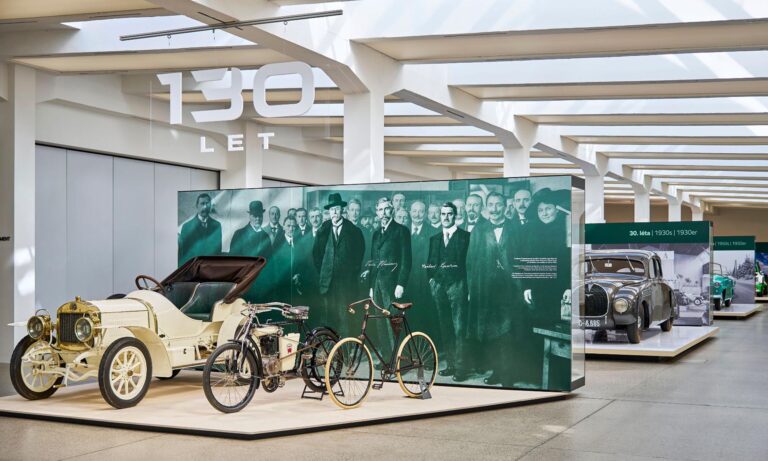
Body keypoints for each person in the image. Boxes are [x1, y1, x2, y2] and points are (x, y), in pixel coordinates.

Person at [466, 192, 515, 385]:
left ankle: (508, 375)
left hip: (510, 288)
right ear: (486, 208)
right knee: (491, 331)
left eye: (498, 204)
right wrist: (471, 289)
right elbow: (470, 261)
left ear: (505, 206)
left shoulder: (515, 228)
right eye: (491, 205)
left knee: (508, 331)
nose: (494, 209)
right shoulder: (479, 229)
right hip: (485, 289)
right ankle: (497, 371)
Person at [524, 188, 571, 388]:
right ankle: (539, 376)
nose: (544, 213)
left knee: (558, 332)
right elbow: (527, 258)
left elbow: (571, 261)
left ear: (556, 210)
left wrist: (569, 287)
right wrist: (527, 285)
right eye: (541, 210)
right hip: (538, 287)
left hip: (560, 289)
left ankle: (559, 378)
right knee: (537, 328)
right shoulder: (533, 230)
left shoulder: (566, 229)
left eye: (548, 209)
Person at [427, 202, 470, 381]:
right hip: (439, 287)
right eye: (443, 214)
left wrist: (467, 287)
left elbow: (469, 264)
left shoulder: (465, 237)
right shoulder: (435, 238)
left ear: (455, 215)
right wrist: (431, 281)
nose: (446, 217)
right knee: (445, 326)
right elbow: (430, 262)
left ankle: (461, 368)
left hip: (458, 286)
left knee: (459, 328)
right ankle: (451, 365)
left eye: (449, 214)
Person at [313, 193, 365, 335]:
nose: (334, 212)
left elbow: (359, 256)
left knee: (345, 317)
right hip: (327, 283)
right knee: (328, 317)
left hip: (346, 283)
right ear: (329, 212)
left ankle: (346, 346)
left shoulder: (353, 231)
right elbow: (316, 255)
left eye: (337, 208)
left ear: (342, 210)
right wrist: (324, 272)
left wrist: (350, 274)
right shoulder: (323, 230)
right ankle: (330, 346)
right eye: (332, 209)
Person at [368, 197, 412, 355]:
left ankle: (400, 358)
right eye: (380, 210)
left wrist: (401, 283)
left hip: (393, 284)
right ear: (377, 212)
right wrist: (371, 286)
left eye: (386, 209)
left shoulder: (401, 231)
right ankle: (387, 358)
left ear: (392, 210)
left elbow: (407, 260)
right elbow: (373, 261)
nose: (384, 213)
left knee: (393, 321)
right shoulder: (375, 234)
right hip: (377, 284)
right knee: (380, 321)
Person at [178, 193, 222, 264]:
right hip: (193, 267)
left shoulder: (217, 225)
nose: (205, 207)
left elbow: (218, 251)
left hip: (211, 266)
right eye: (202, 203)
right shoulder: (187, 227)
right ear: (197, 206)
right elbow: (183, 255)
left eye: (207, 203)